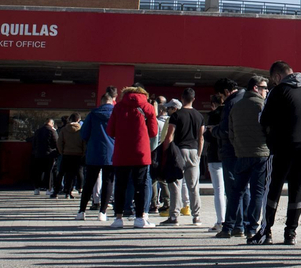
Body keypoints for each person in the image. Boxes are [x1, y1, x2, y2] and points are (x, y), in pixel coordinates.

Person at [260, 61, 301, 244]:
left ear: (278, 77)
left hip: (283, 145)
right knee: (298, 190)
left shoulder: (278, 91)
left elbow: (265, 120)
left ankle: (266, 231)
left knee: (273, 187)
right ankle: (291, 233)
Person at [225, 75, 272, 242]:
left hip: (241, 154)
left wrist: (238, 147)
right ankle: (251, 228)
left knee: (236, 191)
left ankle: (229, 227)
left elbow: (231, 133)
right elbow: (269, 129)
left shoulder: (236, 107)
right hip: (260, 154)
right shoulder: (262, 105)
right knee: (257, 192)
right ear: (255, 88)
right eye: (264, 88)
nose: (266, 91)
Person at [107, 87, 159, 228]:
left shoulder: (118, 107)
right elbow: (154, 132)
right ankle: (140, 218)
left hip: (121, 152)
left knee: (120, 185)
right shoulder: (147, 107)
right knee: (140, 185)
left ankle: (118, 218)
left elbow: (110, 131)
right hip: (140, 152)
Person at [166, 90, 207, 225]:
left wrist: (167, 151)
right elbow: (201, 138)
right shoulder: (199, 116)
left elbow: (170, 135)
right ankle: (196, 216)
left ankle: (174, 216)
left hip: (179, 151)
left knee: (176, 185)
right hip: (194, 151)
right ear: (193, 99)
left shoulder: (176, 115)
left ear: (182, 98)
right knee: (193, 186)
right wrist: (199, 154)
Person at [77, 87, 117, 222]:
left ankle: (81, 211)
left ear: (101, 101)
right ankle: (103, 212)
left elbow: (83, 133)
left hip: (93, 152)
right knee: (108, 182)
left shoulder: (92, 114)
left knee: (90, 182)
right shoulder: (116, 114)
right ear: (112, 101)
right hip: (111, 152)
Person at [201, 79, 237, 230]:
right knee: (233, 189)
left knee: (219, 190)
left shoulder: (214, 114)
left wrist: (211, 131)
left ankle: (220, 221)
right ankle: (233, 220)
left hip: (215, 154)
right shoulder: (234, 108)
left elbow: (208, 137)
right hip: (232, 152)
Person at [54, 114, 84, 198]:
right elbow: (84, 143)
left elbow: (59, 142)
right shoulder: (81, 130)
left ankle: (56, 191)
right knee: (74, 174)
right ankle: (71, 190)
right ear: (78, 120)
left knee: (61, 173)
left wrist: (62, 151)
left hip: (66, 154)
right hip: (78, 154)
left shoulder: (64, 129)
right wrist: (83, 152)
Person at [30, 119, 58, 196]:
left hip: (38, 154)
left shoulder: (38, 131)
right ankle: (48, 189)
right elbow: (56, 142)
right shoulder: (52, 131)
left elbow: (34, 142)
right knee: (49, 172)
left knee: (38, 172)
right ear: (51, 123)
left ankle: (36, 188)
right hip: (49, 154)